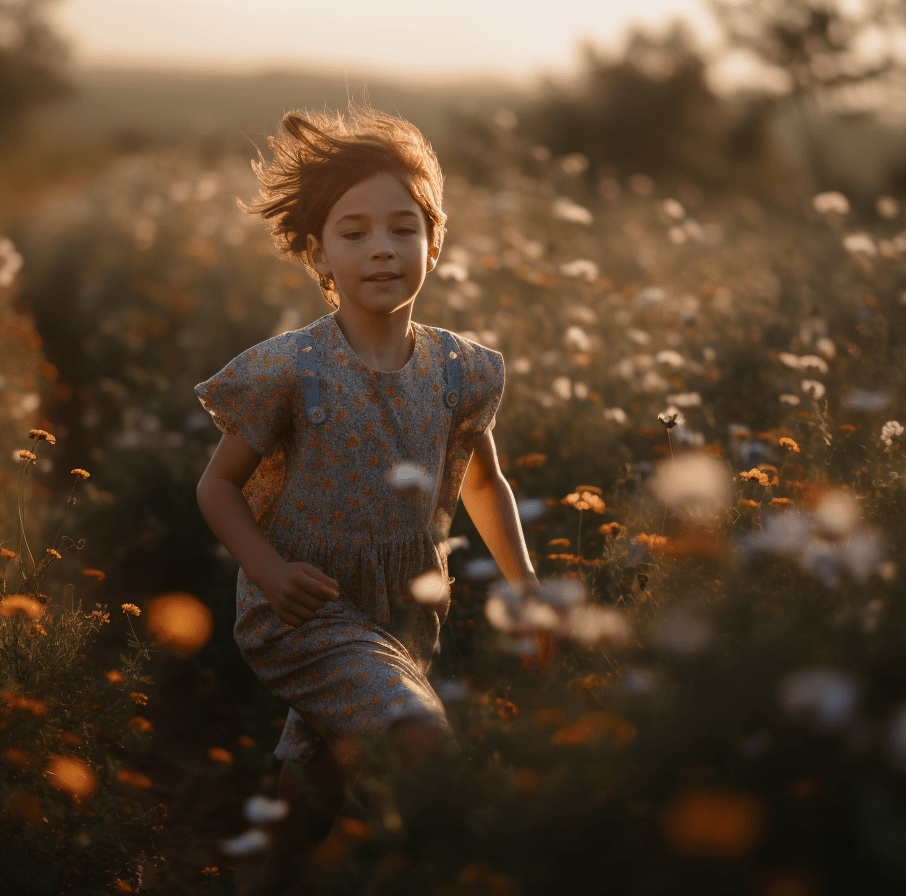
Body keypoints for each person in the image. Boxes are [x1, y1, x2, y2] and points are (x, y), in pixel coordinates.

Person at [194, 103, 548, 893]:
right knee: (419, 736)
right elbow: (216, 487)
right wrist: (269, 571)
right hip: (301, 606)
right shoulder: (290, 368)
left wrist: (525, 588)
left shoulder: (461, 370)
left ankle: (271, 872)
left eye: (402, 227)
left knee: (320, 772)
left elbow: (484, 480)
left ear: (434, 239)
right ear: (318, 252)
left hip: (402, 605)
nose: (382, 248)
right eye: (354, 232)